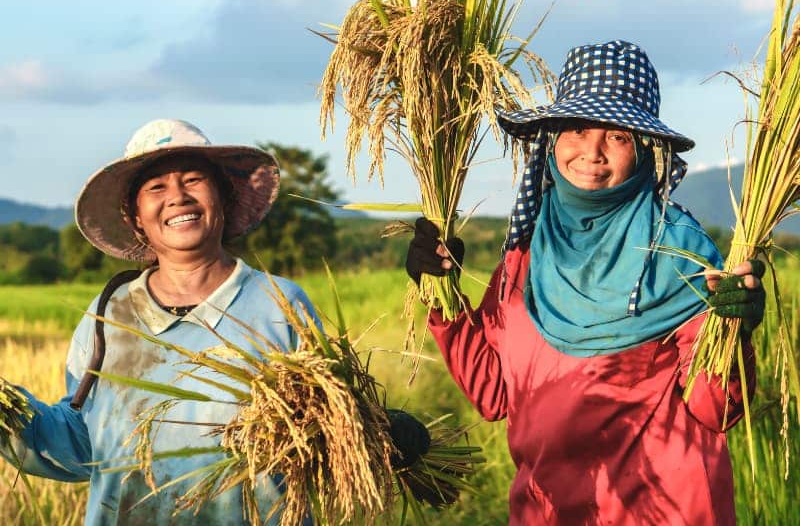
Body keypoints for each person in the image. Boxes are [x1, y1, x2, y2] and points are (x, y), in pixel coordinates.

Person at [405, 40, 766, 525]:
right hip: (548, 510)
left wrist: (734, 330)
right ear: (552, 140)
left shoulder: (679, 252)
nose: (592, 152)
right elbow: (492, 393)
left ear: (643, 151)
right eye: (576, 128)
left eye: (617, 136)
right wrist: (439, 292)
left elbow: (714, 411)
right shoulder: (527, 256)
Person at [0, 119, 427, 525]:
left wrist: (372, 431)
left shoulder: (278, 305)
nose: (177, 196)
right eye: (156, 187)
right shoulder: (108, 315)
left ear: (223, 197)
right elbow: (81, 443)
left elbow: (320, 426)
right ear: (136, 217)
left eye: (192, 179)